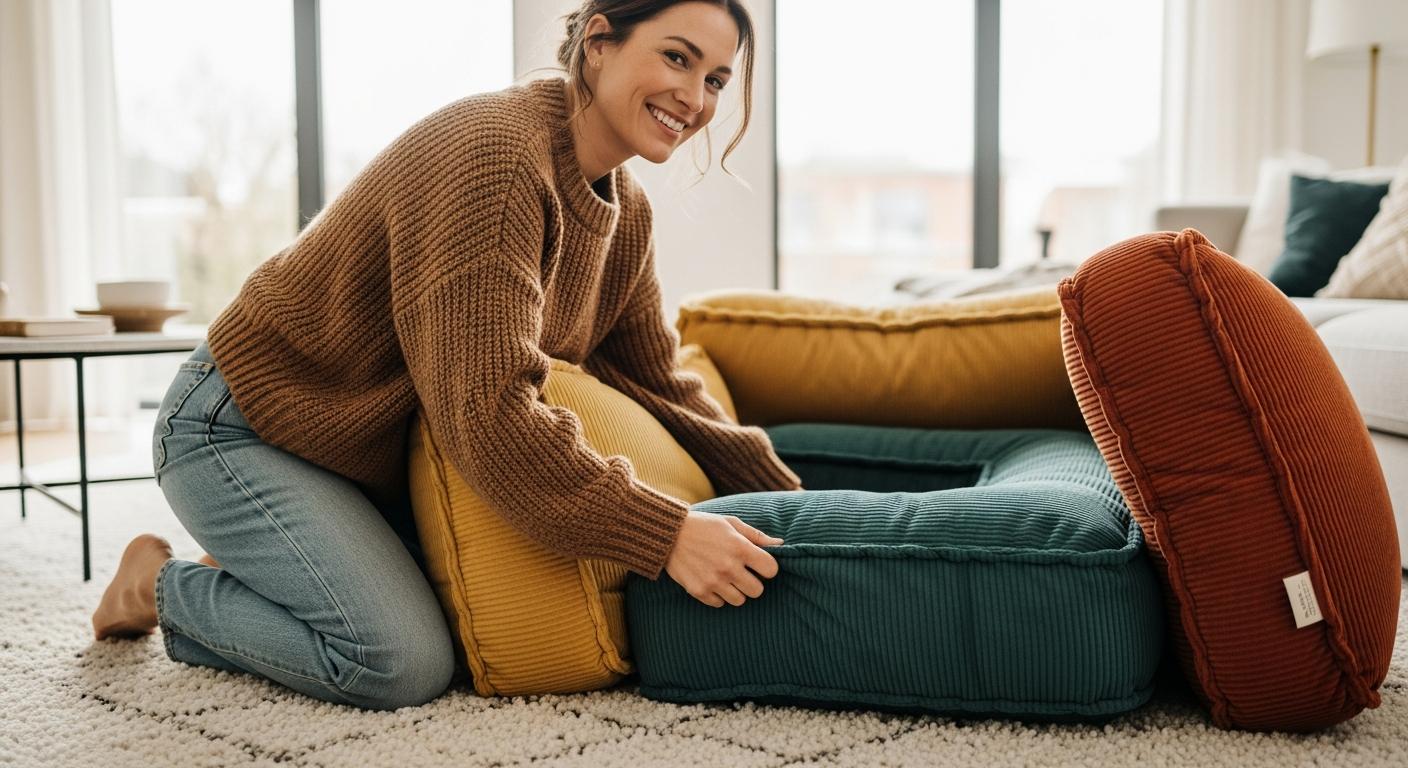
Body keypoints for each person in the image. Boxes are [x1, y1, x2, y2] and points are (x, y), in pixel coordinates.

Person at [89, 0, 802, 711]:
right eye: (677, 57)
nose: (695, 96)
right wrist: (667, 533)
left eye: (715, 79)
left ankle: (270, 563)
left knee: (459, 617)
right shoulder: (494, 157)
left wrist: (800, 507)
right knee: (396, 662)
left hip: (358, 457)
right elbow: (487, 414)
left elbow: (660, 386)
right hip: (243, 421)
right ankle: (156, 582)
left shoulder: (626, 213)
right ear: (598, 43)